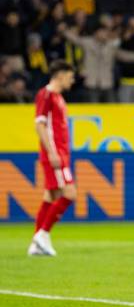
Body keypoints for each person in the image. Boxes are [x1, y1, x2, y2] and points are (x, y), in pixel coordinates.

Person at [28, 60, 76, 256]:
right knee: (69, 194)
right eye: (70, 77)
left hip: (60, 153)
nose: (71, 81)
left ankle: (35, 244)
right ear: (60, 74)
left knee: (51, 196)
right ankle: (42, 234)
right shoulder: (46, 94)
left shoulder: (57, 97)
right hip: (55, 154)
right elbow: (39, 124)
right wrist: (52, 152)